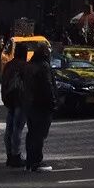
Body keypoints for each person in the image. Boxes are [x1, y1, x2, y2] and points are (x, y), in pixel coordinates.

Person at [23, 44, 56, 172]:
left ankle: (30, 161)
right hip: (41, 104)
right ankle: (36, 161)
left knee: (32, 132)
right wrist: (53, 102)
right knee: (39, 133)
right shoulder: (43, 66)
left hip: (29, 103)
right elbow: (47, 86)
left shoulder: (29, 66)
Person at [1, 43, 28, 168]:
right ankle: (16, 155)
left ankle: (9, 155)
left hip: (9, 100)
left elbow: (3, 83)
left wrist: (5, 99)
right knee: (17, 130)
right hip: (21, 101)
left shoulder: (9, 65)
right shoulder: (24, 66)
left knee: (9, 129)